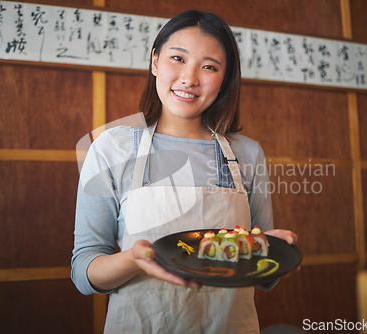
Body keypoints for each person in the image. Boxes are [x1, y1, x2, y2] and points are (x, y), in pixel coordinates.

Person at [71, 10, 298, 333]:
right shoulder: (112, 149)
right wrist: (134, 259)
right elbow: (84, 273)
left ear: (224, 79)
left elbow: (263, 277)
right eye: (177, 58)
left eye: (209, 67)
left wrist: (272, 255)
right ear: (154, 61)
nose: (190, 78)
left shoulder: (247, 154)